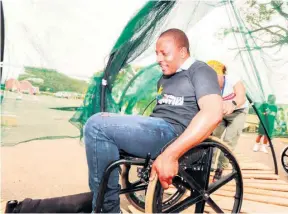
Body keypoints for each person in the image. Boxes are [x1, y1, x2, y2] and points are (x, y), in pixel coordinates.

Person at [83, 29, 223, 213]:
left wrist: (171, 155)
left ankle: (106, 209)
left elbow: (213, 113)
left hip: (177, 133)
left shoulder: (201, 70)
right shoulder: (164, 78)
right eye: (156, 53)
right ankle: (102, 200)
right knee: (102, 123)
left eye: (164, 53)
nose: (158, 59)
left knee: (96, 127)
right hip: (159, 129)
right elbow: (157, 118)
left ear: (182, 51)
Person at [206, 60, 247, 180]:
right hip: (220, 112)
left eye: (215, 76)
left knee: (229, 140)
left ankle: (220, 168)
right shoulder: (207, 84)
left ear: (222, 74)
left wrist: (233, 104)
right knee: (213, 138)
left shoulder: (232, 79)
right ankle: (209, 166)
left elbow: (241, 96)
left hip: (237, 111)